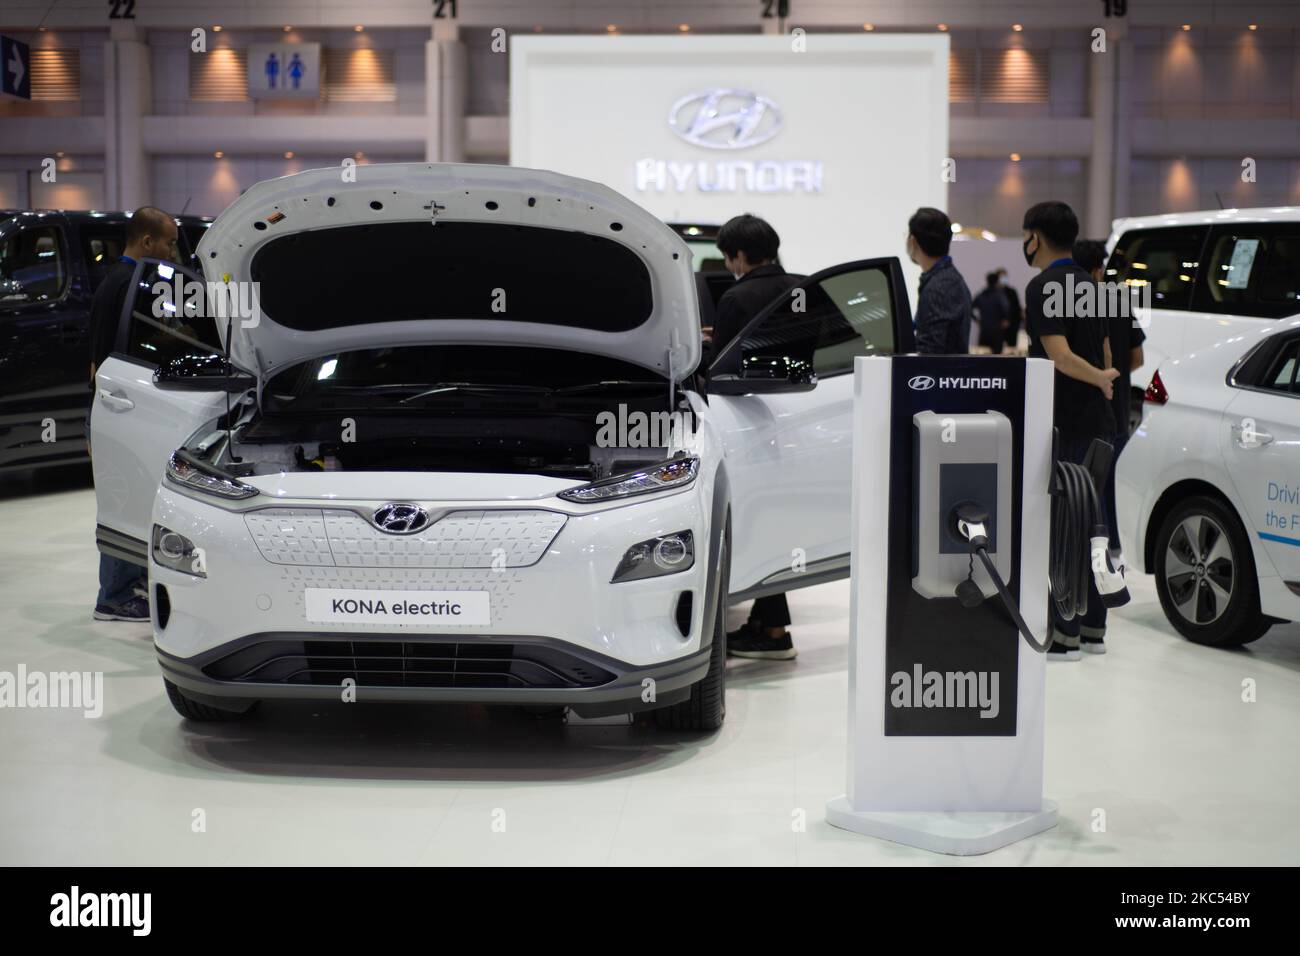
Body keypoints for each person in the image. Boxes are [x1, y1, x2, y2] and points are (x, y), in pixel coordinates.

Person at [1021, 202, 1119, 660]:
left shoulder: (1043, 286)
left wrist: (1098, 378)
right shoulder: (1093, 284)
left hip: (1064, 422)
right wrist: (1104, 377)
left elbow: (1057, 356)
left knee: (1065, 524)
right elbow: (1103, 346)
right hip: (1101, 422)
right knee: (1096, 524)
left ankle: (1065, 632)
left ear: (1036, 237)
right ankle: (1095, 627)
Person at [711, 214, 802, 661]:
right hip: (806, 422)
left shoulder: (736, 296)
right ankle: (770, 627)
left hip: (747, 422)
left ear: (739, 255)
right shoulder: (806, 287)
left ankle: (769, 628)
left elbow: (722, 370)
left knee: (749, 521)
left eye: (728, 256)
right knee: (782, 520)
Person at [89, 206, 180, 622]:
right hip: (121, 405)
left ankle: (128, 585)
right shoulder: (130, 286)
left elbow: (95, 359)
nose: (173, 251)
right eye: (170, 242)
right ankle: (115, 596)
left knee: (129, 493)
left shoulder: (116, 281)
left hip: (114, 402)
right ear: (147, 242)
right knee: (124, 497)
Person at [1074, 238, 1145, 608]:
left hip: (1082, 412)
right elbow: (1137, 357)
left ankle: (1091, 566)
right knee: (1112, 482)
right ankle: (1114, 556)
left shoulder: (1069, 305)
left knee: (1088, 489)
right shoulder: (1119, 302)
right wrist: (1113, 377)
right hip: (1115, 410)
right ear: (1100, 269)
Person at [907, 207, 972, 355]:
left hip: (939, 376)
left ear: (913, 241)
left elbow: (930, 353)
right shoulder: (947, 279)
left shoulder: (939, 287)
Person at [972, 272, 1010, 352]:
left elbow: (970, 308)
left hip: (984, 330)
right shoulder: (1000, 295)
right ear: (997, 281)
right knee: (997, 359)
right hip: (997, 331)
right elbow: (1006, 309)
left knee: (982, 358)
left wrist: (977, 320)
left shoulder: (982, 295)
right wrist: (1006, 319)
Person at [996, 267, 1023, 352]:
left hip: (1012, 326)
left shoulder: (1012, 292)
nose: (1004, 279)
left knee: (1012, 349)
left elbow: (1016, 308)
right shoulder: (993, 292)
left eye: (1005, 276)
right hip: (998, 327)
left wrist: (1010, 320)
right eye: (1001, 277)